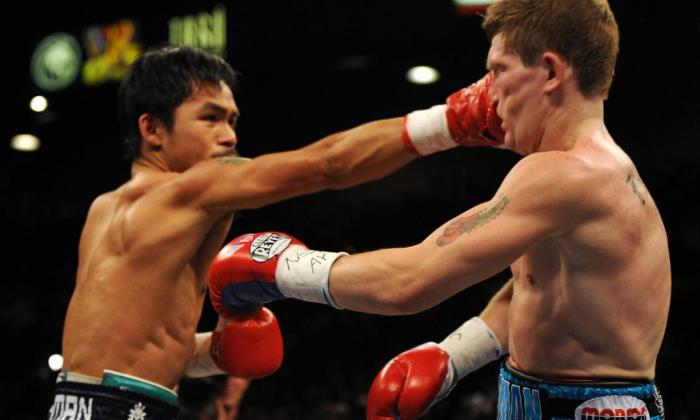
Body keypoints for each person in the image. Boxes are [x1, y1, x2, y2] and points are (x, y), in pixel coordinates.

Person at [208, 0, 670, 419]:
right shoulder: (598, 169)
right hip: (559, 398)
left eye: (499, 70)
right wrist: (453, 357)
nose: (488, 93)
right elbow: (540, 289)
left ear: (549, 72)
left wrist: (283, 267)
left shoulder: (565, 174)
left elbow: (410, 281)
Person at [48, 44, 503, 420]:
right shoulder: (193, 188)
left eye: (232, 121)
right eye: (210, 118)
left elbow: (124, 347)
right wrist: (450, 121)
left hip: (69, 403)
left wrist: (213, 353)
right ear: (152, 128)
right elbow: (327, 165)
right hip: (129, 408)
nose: (229, 137)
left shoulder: (101, 209)